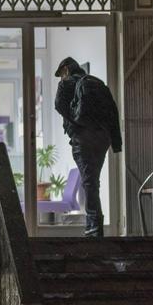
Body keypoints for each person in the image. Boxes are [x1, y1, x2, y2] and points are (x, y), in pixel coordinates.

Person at [54, 57, 122, 237]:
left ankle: (94, 226)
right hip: (103, 137)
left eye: (61, 73)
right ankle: (94, 224)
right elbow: (113, 113)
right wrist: (116, 143)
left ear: (66, 69)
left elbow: (59, 105)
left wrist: (75, 123)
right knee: (92, 180)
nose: (61, 77)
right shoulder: (97, 83)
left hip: (83, 137)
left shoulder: (67, 83)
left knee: (89, 181)